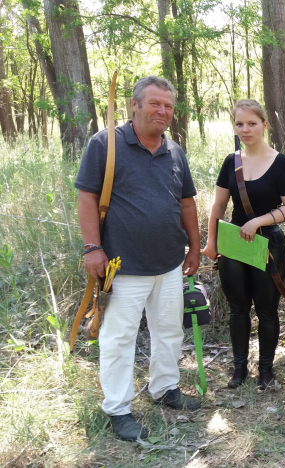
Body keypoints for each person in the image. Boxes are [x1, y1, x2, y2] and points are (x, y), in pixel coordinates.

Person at [75, 76, 201, 442]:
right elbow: (86, 196)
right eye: (154, 104)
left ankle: (165, 388)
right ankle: (118, 409)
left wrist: (193, 248)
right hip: (122, 265)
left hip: (169, 262)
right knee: (118, 337)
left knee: (169, 330)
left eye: (168, 106)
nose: (162, 111)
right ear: (135, 104)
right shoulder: (107, 143)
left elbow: (187, 203)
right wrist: (92, 248)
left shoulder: (174, 151)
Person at [202, 99, 285, 391]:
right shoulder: (231, 162)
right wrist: (211, 242)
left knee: (268, 310)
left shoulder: (281, 163)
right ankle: (239, 369)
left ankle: (266, 371)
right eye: (239, 124)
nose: (245, 129)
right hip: (234, 245)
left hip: (269, 244)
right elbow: (218, 205)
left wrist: (258, 222)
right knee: (238, 309)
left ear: (264, 125)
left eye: (252, 123)